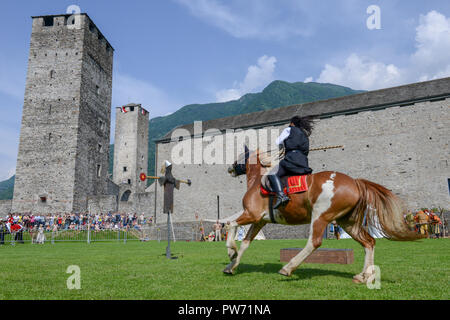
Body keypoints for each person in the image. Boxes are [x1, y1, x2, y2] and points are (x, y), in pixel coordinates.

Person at [268, 116, 314, 209]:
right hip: (303, 162)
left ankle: (281, 196)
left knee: (272, 173)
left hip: (291, 160)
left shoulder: (289, 129)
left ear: (292, 123)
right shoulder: (305, 135)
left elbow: (277, 142)